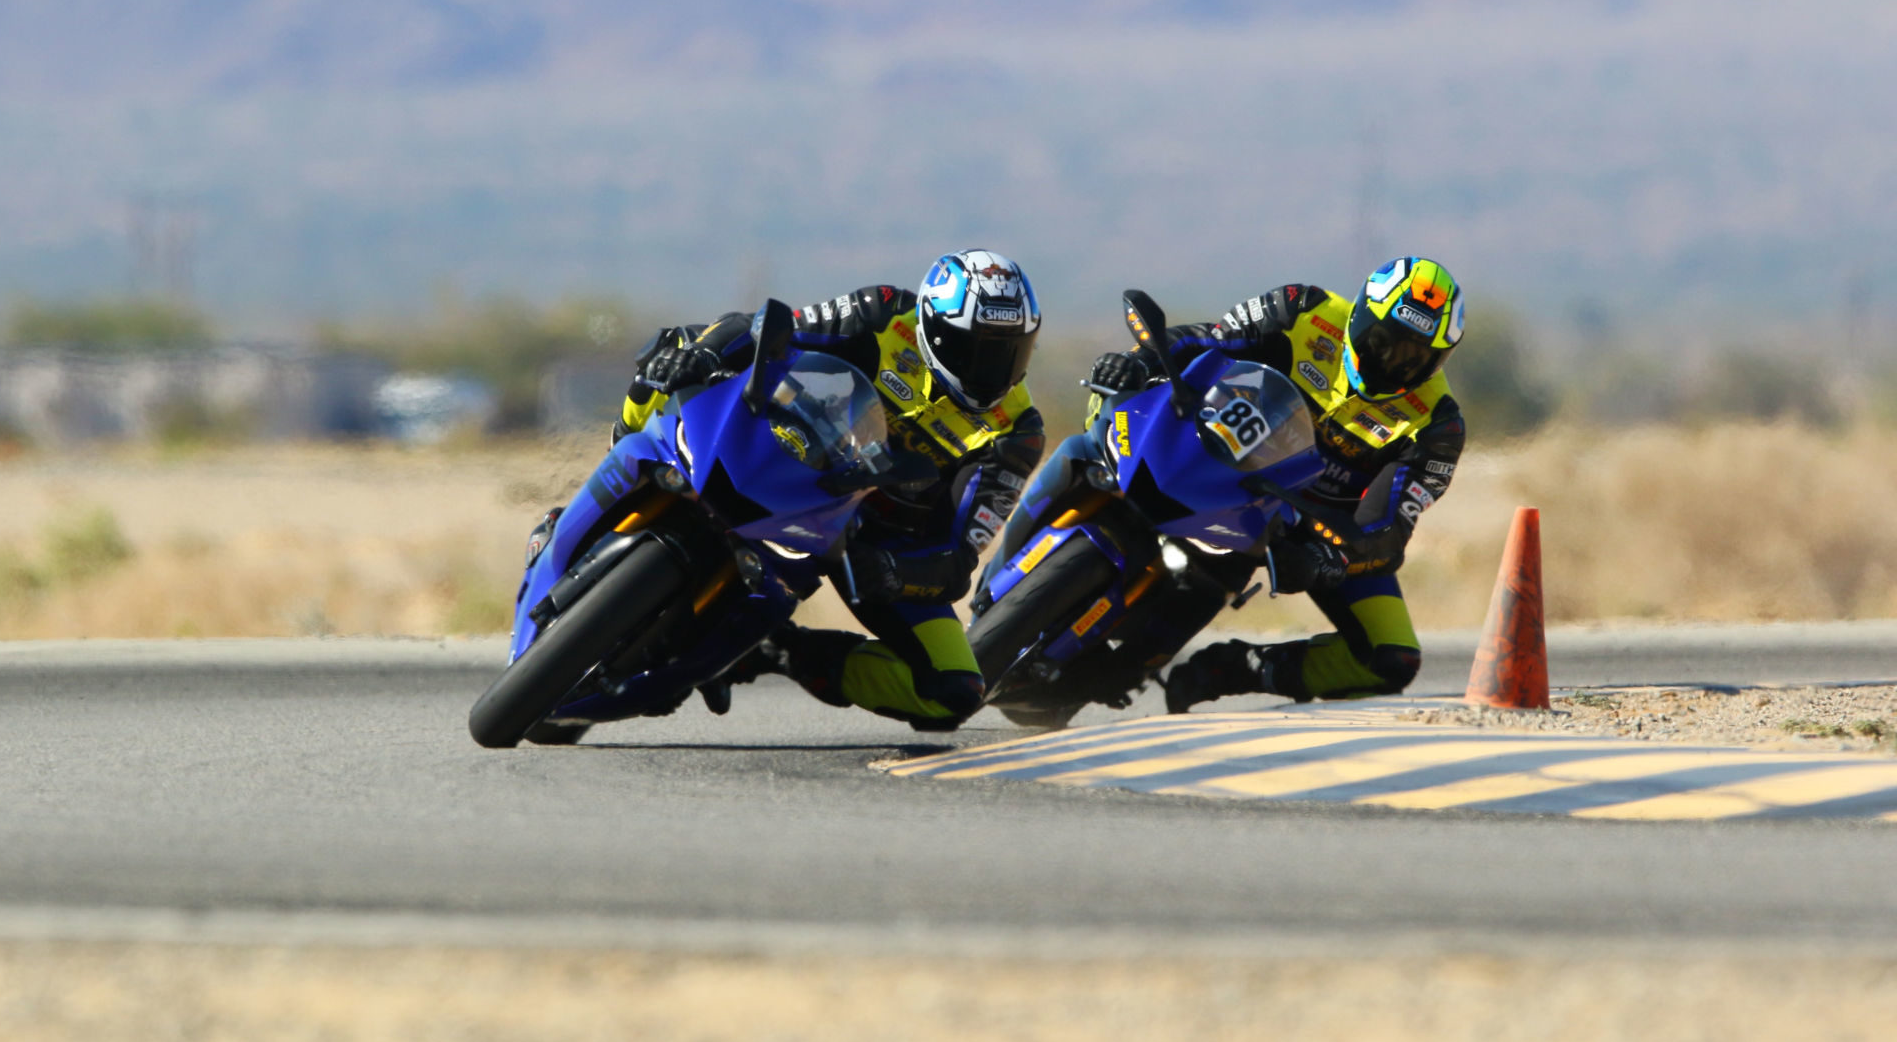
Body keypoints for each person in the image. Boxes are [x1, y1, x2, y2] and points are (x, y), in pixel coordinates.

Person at [613, 249, 1045, 730]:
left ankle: (785, 650)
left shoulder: (1017, 431)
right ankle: (621, 466)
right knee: (688, 344)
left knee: (953, 691)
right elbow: (767, 331)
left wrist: (894, 572)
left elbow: (960, 555)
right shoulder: (882, 314)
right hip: (801, 458)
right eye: (980, 348)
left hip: (877, 538)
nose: (997, 368)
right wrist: (705, 356)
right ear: (934, 327)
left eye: (1013, 350)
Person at [1084, 257, 1466, 709]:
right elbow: (1208, 339)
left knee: (1391, 660)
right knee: (1107, 425)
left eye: (1414, 357)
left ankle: (1240, 667)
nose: (1391, 361)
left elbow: (1388, 530)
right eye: (1381, 341)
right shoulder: (1303, 309)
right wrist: (1142, 361)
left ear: (1441, 358)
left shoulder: (1437, 424)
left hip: (1305, 526)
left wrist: (1329, 558)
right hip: (1224, 462)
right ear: (1361, 313)